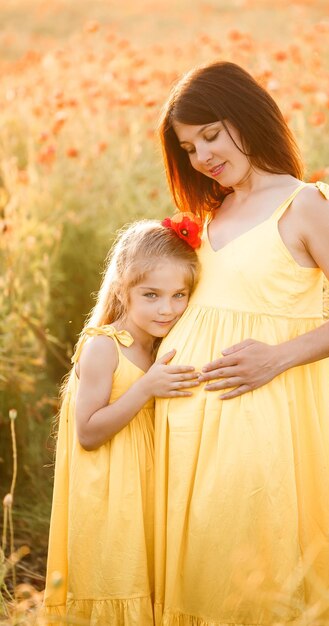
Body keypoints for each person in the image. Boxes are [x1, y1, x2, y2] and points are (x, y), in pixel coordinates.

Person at [154, 61, 329, 625]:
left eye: (210, 135)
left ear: (249, 116)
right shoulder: (212, 212)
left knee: (248, 560)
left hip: (258, 410)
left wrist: (276, 357)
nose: (202, 156)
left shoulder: (304, 205)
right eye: (188, 147)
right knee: (195, 565)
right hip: (187, 422)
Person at [42, 218, 201, 626]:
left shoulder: (162, 346)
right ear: (122, 290)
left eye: (178, 295)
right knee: (116, 581)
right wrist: (146, 388)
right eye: (151, 295)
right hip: (108, 497)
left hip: (145, 489)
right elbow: (89, 432)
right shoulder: (104, 347)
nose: (167, 308)